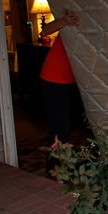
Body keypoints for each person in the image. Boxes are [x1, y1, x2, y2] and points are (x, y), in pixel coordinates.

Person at [39, 9, 84, 170]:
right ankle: (55, 169)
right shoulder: (71, 19)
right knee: (59, 127)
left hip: (72, 80)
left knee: (75, 125)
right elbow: (44, 31)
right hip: (54, 77)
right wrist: (64, 21)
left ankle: (67, 165)